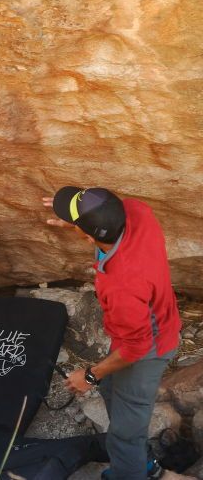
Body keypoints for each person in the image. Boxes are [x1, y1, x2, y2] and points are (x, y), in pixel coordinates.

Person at [44, 187, 181, 480]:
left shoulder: (122, 283)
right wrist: (81, 218)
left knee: (124, 433)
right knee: (109, 390)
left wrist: (90, 375)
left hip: (150, 345)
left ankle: (133, 469)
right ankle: (134, 455)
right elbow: (108, 207)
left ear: (89, 236)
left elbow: (136, 349)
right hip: (148, 317)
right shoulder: (137, 212)